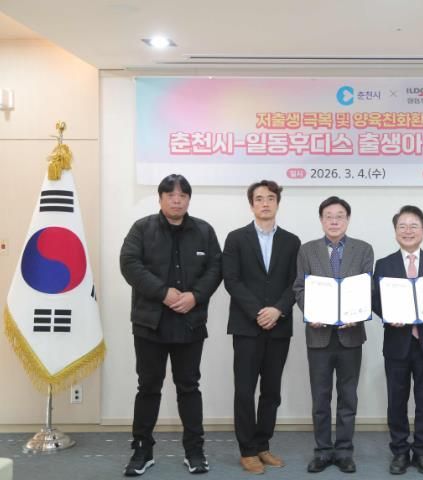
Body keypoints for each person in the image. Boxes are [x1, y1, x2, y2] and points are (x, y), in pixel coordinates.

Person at [120, 174, 222, 476]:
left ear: (188, 199)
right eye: (170, 195)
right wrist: (163, 293)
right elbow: (129, 264)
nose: (177, 200)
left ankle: (195, 451)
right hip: (150, 323)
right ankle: (142, 451)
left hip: (190, 323)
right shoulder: (142, 228)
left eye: (182, 195)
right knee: (148, 387)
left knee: (189, 387)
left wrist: (195, 296)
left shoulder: (204, 231)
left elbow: (216, 268)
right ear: (160, 198)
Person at [222, 180, 301, 474]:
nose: (265, 203)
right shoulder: (236, 238)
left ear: (278, 202)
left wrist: (278, 309)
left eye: (270, 198)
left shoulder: (291, 241)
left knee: (271, 391)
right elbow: (232, 280)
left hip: (279, 326)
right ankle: (247, 450)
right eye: (259, 198)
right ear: (251, 204)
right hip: (246, 326)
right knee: (244, 390)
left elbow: (296, 282)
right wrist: (258, 311)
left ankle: (262, 445)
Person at [293, 196, 374, 474]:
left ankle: (344, 451)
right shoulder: (307, 250)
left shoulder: (363, 249)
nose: (334, 221)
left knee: (348, 397)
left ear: (347, 220)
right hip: (318, 336)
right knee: (320, 398)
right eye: (328, 216)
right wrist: (311, 311)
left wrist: (357, 313)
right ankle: (322, 451)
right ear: (321, 220)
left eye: (340, 216)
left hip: (351, 336)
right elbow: (299, 288)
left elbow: (366, 288)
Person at [372, 205, 423, 475]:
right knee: (397, 401)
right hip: (397, 343)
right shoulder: (384, 264)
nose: (408, 231)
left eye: (413, 226)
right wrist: (388, 315)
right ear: (395, 231)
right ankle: (400, 452)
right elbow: (375, 299)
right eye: (402, 226)